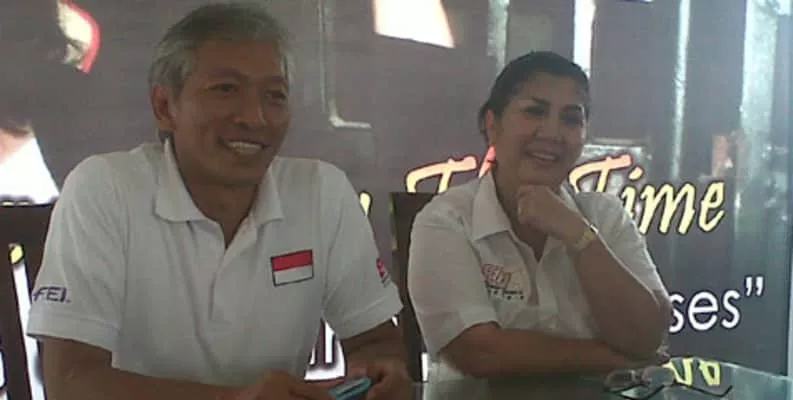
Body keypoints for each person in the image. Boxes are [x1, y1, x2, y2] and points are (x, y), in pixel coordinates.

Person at [26, 3, 409, 400]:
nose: (255, 117)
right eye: (226, 90)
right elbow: (71, 382)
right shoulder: (105, 190)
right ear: (164, 107)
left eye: (274, 96)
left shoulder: (321, 192)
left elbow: (374, 341)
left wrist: (379, 373)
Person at [408, 51, 672, 382]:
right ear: (492, 125)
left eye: (571, 119)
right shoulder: (446, 220)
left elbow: (647, 334)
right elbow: (479, 352)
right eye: (534, 112)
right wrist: (612, 358)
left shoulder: (604, 215)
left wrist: (578, 234)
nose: (552, 133)